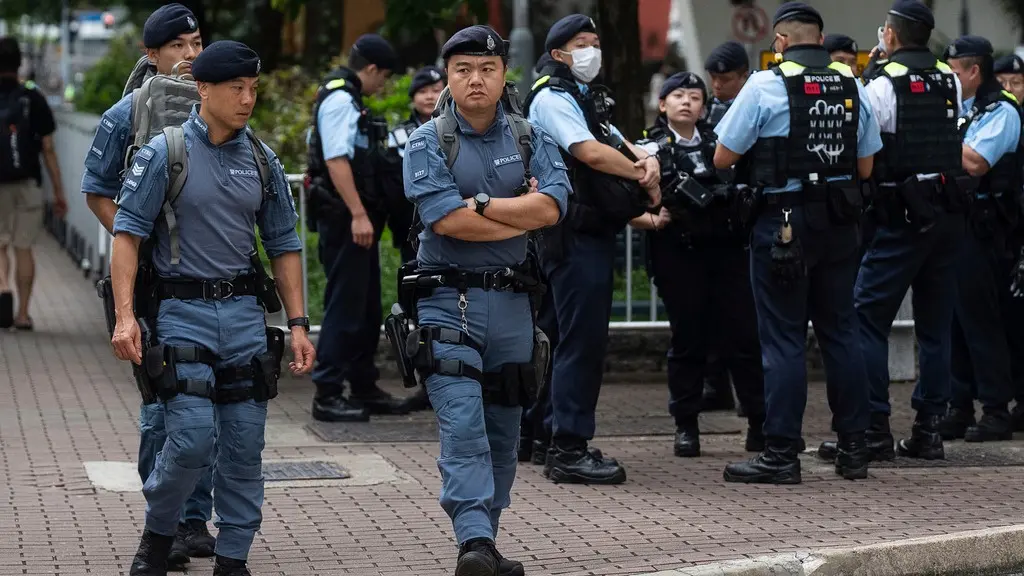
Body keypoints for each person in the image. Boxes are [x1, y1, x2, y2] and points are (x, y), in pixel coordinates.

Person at [108, 40, 315, 576]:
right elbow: (126, 236)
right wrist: (126, 316)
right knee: (192, 438)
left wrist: (297, 324)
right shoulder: (165, 153)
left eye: (253, 88)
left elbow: (284, 245)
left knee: (245, 446)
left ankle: (234, 556)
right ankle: (160, 534)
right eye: (235, 88)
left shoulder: (262, 159)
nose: (247, 99)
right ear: (203, 89)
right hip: (180, 315)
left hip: (245, 318)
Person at [402, 25, 570, 576]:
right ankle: (471, 536)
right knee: (463, 425)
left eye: (487, 69)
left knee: (504, 428)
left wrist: (479, 206)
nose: (476, 79)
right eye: (463, 70)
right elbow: (445, 221)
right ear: (448, 76)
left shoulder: (529, 136)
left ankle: (485, 545)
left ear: (503, 76)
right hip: (447, 302)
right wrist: (510, 212)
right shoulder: (428, 141)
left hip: (514, 306)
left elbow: (553, 209)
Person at [714, 2, 882, 484]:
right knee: (840, 333)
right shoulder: (852, 83)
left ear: (782, 42)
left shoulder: (766, 84)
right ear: (821, 39)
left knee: (783, 339)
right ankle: (855, 449)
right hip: (840, 224)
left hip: (782, 224)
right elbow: (867, 166)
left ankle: (781, 453)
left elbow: (725, 155)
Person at [80, 5, 213, 567]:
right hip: (155, 284)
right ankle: (166, 522)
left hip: (209, 282)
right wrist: (137, 240)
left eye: (197, 43)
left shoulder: (220, 111)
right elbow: (97, 190)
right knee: (163, 403)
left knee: (211, 400)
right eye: (178, 46)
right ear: (151, 53)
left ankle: (194, 520)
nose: (189, 56)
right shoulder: (126, 116)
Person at [821, 0, 964, 464]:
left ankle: (874, 427)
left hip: (898, 215)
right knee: (936, 325)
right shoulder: (950, 78)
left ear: (893, 36)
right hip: (944, 211)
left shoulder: (881, 85)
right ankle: (929, 430)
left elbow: (865, 150)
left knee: (866, 317)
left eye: (884, 29)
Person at [523, 13, 660, 484]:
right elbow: (588, 152)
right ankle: (569, 448)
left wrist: (649, 159)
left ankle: (543, 435)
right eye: (583, 43)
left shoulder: (583, 97)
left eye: (596, 42)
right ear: (558, 52)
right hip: (574, 234)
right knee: (580, 342)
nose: (592, 51)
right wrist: (641, 173)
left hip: (581, 232)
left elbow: (620, 143)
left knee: (558, 337)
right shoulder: (553, 97)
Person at [633, 71, 766, 458]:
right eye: (678, 95)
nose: (687, 101)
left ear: (704, 107)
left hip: (726, 251)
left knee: (744, 339)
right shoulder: (648, 149)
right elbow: (634, 196)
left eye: (695, 96)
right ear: (662, 105)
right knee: (688, 340)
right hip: (680, 253)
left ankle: (759, 422)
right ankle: (686, 425)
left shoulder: (723, 144)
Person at [305, 33, 407, 423]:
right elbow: (336, 161)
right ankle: (328, 392)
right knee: (345, 307)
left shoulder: (346, 97)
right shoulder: (340, 100)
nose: (384, 85)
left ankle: (363, 386)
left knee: (365, 308)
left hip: (354, 219)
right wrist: (359, 214)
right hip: (346, 220)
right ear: (372, 69)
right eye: (384, 77)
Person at [939, 35, 1022, 443]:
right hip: (954, 223)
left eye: (955, 74)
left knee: (983, 320)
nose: (950, 81)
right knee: (952, 320)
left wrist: (934, 134)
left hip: (987, 229)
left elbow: (975, 162)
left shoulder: (1002, 111)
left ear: (974, 71)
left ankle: (995, 408)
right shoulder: (961, 109)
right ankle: (959, 405)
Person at [377, 65, 447, 414]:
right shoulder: (398, 136)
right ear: (413, 97)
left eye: (437, 89)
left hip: (454, 231)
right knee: (419, 309)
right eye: (424, 90)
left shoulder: (456, 130)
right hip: (413, 235)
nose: (431, 96)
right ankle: (426, 381)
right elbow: (393, 188)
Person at [0, 36, 67, 331]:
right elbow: (49, 148)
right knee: (23, 247)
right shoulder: (33, 97)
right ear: (19, 65)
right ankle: (23, 315)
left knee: (0, 245)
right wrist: (59, 191)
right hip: (28, 183)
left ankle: (2, 291)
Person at [700, 40, 751, 413]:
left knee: (743, 322)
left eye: (726, 78)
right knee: (712, 315)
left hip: (745, 221)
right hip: (713, 225)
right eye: (713, 78)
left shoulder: (754, 104)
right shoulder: (706, 110)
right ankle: (715, 384)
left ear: (743, 77)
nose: (718, 85)